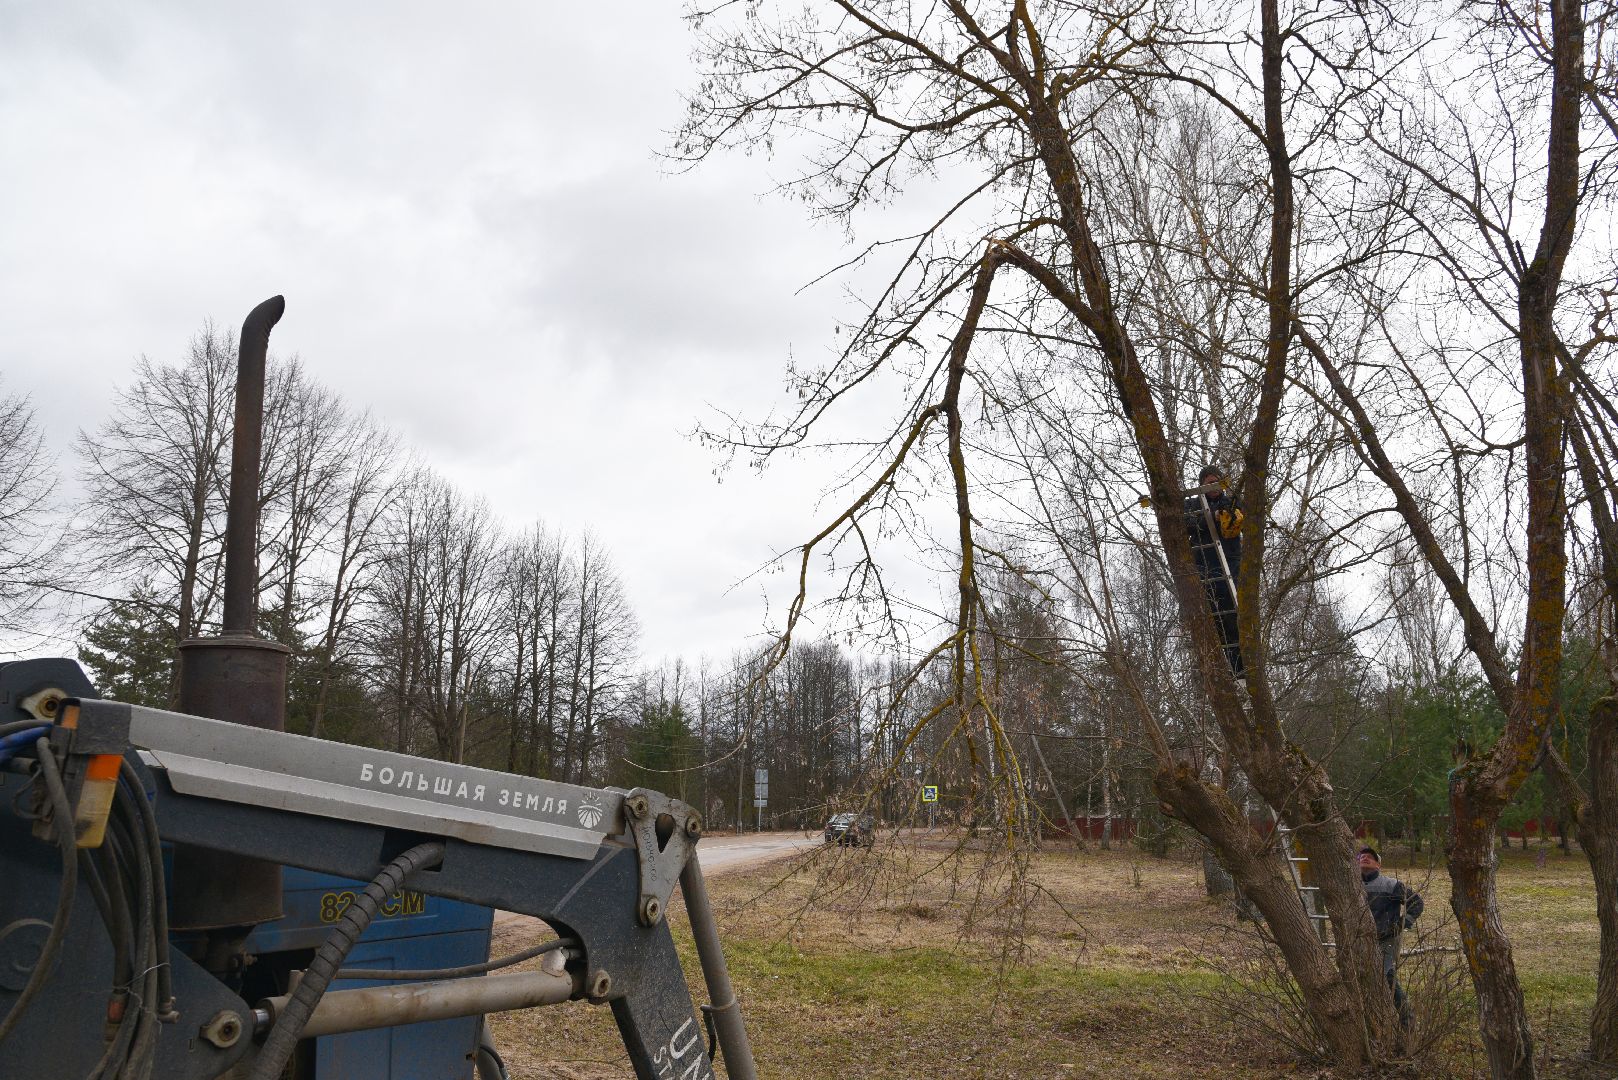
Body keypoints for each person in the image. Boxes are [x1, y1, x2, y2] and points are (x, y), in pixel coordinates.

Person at [1184, 464, 1245, 677]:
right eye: (1209, 482)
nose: (1214, 486)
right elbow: (1186, 524)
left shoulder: (1232, 502)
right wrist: (1210, 518)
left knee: (1233, 625)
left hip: (1229, 569)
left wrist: (1228, 515)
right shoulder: (1192, 504)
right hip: (1203, 569)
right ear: (1202, 484)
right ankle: (1218, 674)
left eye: (1217, 481)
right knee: (1211, 626)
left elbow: (1244, 518)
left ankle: (1240, 673)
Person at [1358, 845, 1423, 1024]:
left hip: (1386, 940)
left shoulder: (1391, 885)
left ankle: (1407, 1021)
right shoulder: (1350, 885)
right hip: (1358, 940)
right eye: (1361, 856)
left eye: (1370, 857)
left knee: (1384, 976)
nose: (1364, 858)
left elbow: (1416, 903)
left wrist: (1401, 924)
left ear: (1378, 865)